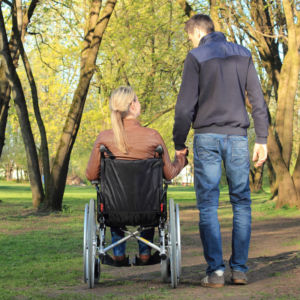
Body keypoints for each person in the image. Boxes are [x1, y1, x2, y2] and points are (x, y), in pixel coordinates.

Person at [173, 14, 269, 287]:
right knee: (242, 203)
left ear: (197, 32)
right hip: (238, 138)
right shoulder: (244, 54)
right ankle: (239, 270)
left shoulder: (196, 56)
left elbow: (183, 108)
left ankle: (215, 272)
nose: (191, 42)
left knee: (208, 205)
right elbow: (257, 100)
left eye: (190, 37)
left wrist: (179, 143)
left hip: (207, 138)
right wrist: (261, 138)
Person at [86, 86, 187, 266]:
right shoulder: (152, 136)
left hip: (114, 211)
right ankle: (145, 253)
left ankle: (118, 253)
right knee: (148, 197)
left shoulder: (104, 138)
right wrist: (181, 159)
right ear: (132, 106)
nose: (139, 104)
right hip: (148, 210)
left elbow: (91, 175)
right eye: (138, 100)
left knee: (114, 195)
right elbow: (169, 174)